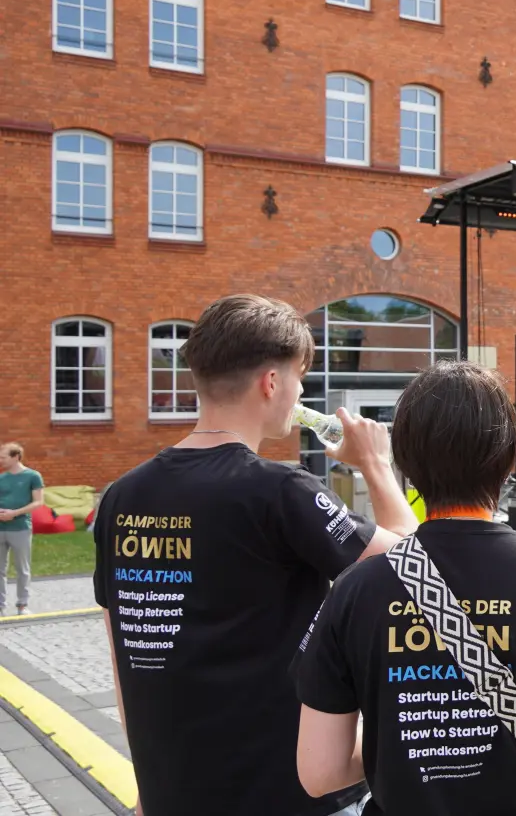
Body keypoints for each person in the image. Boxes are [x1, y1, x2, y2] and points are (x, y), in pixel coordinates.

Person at [93, 294, 419, 816]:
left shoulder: (121, 497)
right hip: (289, 797)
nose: (300, 393)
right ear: (271, 382)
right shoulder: (280, 491)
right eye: (299, 379)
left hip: (173, 795)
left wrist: (149, 783)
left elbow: (125, 657)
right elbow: (412, 565)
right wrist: (376, 465)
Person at [296, 360, 516, 815]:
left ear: (407, 464)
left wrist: (403, 743)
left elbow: (320, 773)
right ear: (509, 460)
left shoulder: (354, 589)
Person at [0, 442, 43, 616]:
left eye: (3, 457)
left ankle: (22, 605)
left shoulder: (33, 476)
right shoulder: (1, 478)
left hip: (20, 528)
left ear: (16, 457)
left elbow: (38, 502)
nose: (1, 460)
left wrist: (14, 513)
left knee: (22, 568)